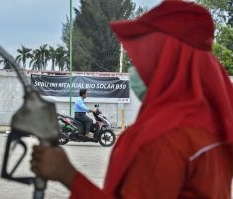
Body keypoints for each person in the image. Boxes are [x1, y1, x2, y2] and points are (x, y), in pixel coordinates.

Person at [31, 1, 233, 198]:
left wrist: (67, 174)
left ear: (166, 65)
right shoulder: (214, 126)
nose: (134, 70)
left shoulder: (165, 139)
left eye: (141, 60)